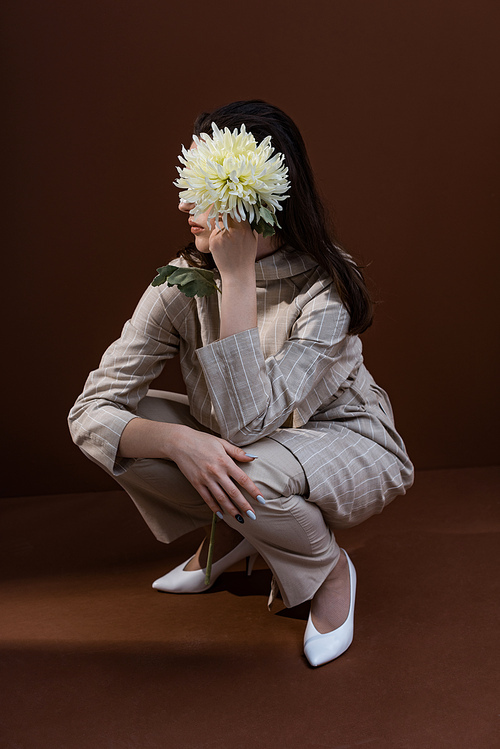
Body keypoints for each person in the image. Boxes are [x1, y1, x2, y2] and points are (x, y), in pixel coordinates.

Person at [68, 100, 414, 667]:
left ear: (251, 194)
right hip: (249, 449)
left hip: (343, 438)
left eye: (203, 186)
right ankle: (240, 531)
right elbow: (89, 410)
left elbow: (248, 425)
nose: (183, 203)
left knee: (249, 468)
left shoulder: (324, 288)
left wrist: (236, 276)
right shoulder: (180, 284)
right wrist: (180, 442)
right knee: (124, 433)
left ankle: (327, 569)